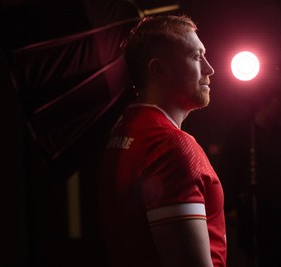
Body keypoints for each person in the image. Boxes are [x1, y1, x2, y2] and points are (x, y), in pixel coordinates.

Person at [97, 15, 227, 267]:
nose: (209, 69)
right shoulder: (171, 146)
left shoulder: (125, 130)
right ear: (158, 69)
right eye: (196, 57)